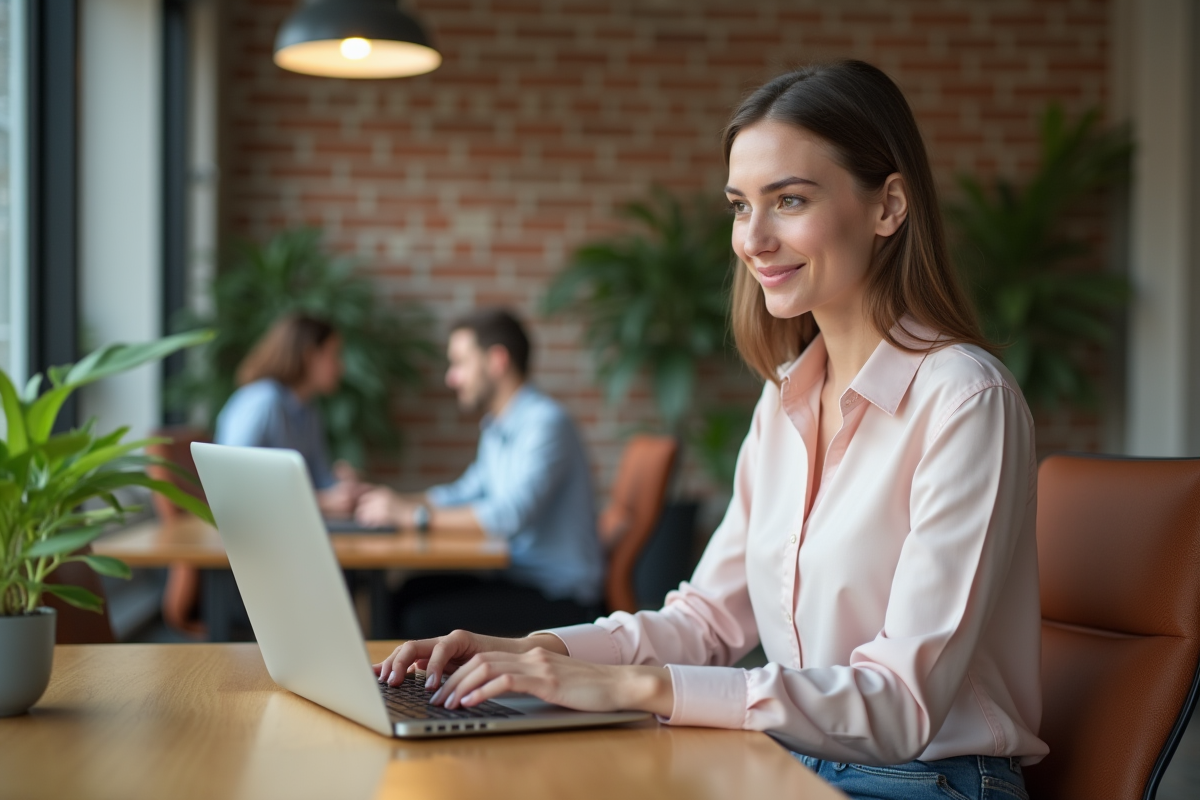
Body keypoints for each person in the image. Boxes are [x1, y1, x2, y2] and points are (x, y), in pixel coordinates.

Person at [372, 61, 1047, 800]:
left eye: (788, 200)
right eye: (739, 206)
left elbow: (902, 705)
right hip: (788, 758)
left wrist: (640, 688)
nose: (753, 238)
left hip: (927, 780)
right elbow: (706, 619)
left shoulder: (964, 400)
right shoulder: (783, 400)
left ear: (888, 206)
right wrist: (534, 651)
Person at [355, 308, 605, 637]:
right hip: (514, 578)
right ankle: (390, 687)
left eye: (460, 363)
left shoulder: (545, 424)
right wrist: (392, 501)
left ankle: (404, 689)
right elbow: (466, 491)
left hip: (560, 598)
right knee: (400, 594)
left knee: (421, 619)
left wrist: (414, 516)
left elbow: (510, 515)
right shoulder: (496, 425)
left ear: (497, 361)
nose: (451, 378)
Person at [215, 313, 367, 517]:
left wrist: (342, 487)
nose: (341, 366)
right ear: (310, 356)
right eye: (333, 355)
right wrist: (322, 502)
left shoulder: (309, 410)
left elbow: (318, 480)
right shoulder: (263, 402)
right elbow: (233, 486)